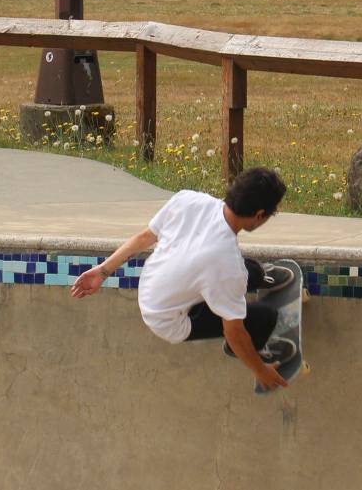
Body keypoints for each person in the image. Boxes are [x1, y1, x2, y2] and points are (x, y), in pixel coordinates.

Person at [70, 167, 294, 391]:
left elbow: (144, 237)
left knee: (249, 273)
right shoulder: (227, 265)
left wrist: (102, 271)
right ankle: (238, 349)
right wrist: (260, 370)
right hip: (171, 321)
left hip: (152, 288)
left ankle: (254, 280)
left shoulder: (188, 200)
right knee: (265, 317)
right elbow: (233, 332)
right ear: (259, 215)